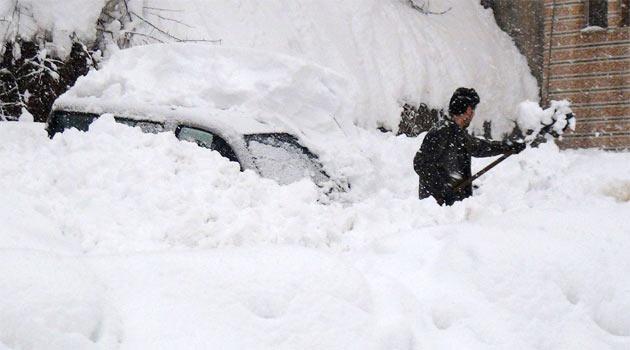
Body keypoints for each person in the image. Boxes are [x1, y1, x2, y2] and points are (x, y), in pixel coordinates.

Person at [413, 87, 525, 206]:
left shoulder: (457, 133)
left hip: (453, 207)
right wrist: (442, 189)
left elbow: (480, 147)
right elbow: (420, 163)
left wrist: (507, 147)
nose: (473, 114)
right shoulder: (441, 132)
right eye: (473, 109)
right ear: (468, 110)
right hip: (436, 208)